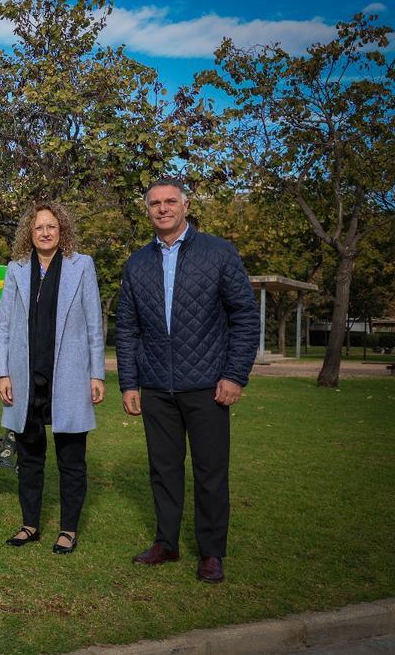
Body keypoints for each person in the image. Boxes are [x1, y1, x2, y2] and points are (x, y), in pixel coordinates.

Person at [116, 177, 259, 583]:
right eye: (155, 203)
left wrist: (234, 375)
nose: (163, 209)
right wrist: (130, 383)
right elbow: (127, 329)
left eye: (170, 202)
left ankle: (211, 553)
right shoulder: (137, 263)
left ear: (185, 205)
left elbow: (245, 317)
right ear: (147, 210)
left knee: (210, 471)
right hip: (158, 387)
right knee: (163, 470)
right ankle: (167, 542)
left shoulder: (218, 253)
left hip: (208, 385)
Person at [0, 203, 104, 554]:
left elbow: (93, 324)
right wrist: (2, 372)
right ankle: (30, 525)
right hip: (26, 379)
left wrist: (96, 374)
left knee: (71, 458)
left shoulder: (81, 265)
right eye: (38, 227)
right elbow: (5, 325)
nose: (45, 232)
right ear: (30, 232)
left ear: (62, 230)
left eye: (51, 226)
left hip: (69, 376)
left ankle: (68, 529)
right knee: (30, 458)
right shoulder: (16, 269)